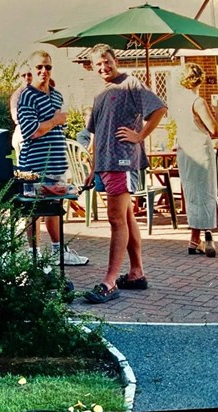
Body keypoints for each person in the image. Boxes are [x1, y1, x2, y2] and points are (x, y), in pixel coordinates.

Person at [84, 44, 167, 304]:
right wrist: (92, 167)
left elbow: (160, 109)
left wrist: (140, 135)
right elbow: (95, 135)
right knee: (127, 216)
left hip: (122, 160)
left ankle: (109, 282)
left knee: (115, 218)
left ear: (114, 59)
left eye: (106, 61)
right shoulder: (99, 95)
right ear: (93, 67)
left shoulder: (131, 83)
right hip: (105, 164)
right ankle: (136, 272)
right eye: (98, 64)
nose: (103, 67)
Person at [17, 50, 89, 266]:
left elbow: (59, 128)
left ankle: (59, 252)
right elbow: (31, 131)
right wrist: (56, 120)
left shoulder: (57, 95)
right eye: (39, 67)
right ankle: (33, 253)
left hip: (57, 164)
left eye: (47, 67)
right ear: (31, 69)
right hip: (33, 166)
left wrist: (58, 123)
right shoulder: (26, 96)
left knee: (55, 208)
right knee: (33, 210)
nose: (43, 71)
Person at [175, 63, 217, 258]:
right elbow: (213, 128)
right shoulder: (197, 101)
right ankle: (208, 236)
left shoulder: (178, 101)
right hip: (200, 151)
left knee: (192, 193)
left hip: (185, 152)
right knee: (206, 192)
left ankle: (193, 239)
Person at [10, 66, 32, 165]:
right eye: (24, 75)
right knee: (25, 168)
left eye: (29, 74)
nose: (27, 77)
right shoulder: (17, 95)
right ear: (20, 78)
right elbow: (17, 116)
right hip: (23, 134)